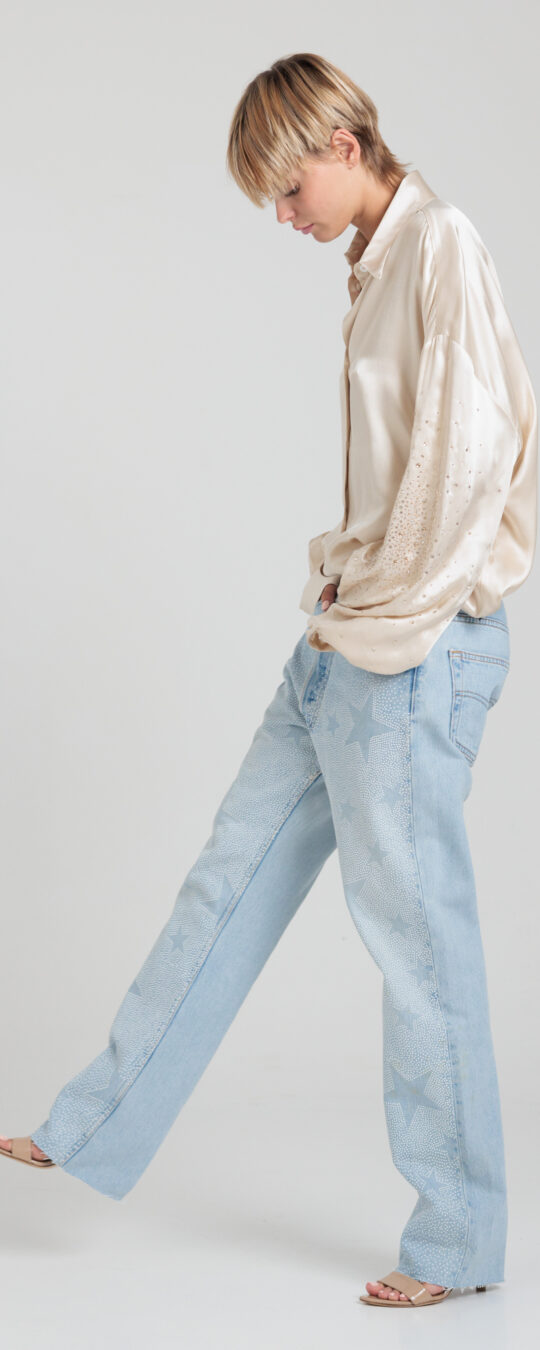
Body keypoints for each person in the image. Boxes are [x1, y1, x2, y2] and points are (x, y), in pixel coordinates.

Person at [1, 52, 537, 1311]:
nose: (283, 216)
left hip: (413, 649)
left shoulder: (441, 244)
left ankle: (458, 1245)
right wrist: (339, 598)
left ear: (344, 142)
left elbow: (472, 464)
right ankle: (93, 1124)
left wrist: (381, 618)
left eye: (289, 188)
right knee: (229, 878)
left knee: (418, 947)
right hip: (350, 639)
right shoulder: (377, 262)